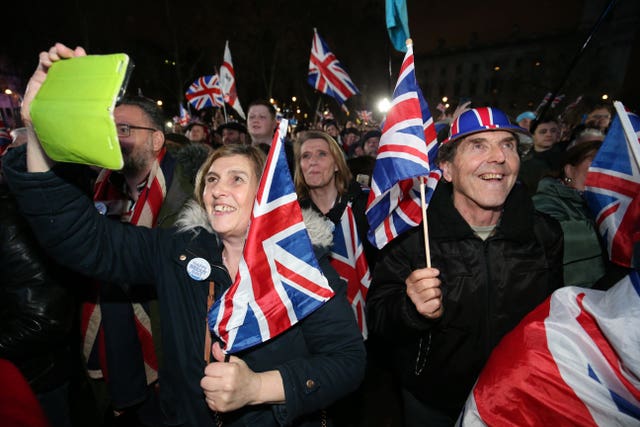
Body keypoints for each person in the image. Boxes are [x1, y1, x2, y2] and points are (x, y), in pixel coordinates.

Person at [5, 43, 365, 427]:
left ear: (265, 196)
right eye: (211, 179)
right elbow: (83, 239)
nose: (217, 189)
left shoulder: (303, 266)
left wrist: (258, 388)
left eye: (236, 179)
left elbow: (347, 362)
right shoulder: (177, 251)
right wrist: (38, 128)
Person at [366, 107, 564, 426]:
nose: (498, 157)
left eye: (507, 144)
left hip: (518, 398)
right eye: (478, 145)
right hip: (435, 402)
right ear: (446, 168)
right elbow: (378, 318)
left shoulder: (544, 233)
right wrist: (410, 308)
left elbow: (554, 318)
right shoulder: (412, 238)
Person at [533, 139, 607, 287]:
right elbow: (553, 236)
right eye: (595, 161)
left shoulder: (607, 205)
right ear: (569, 170)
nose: (602, 169)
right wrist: (611, 230)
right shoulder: (546, 198)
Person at [518, 117, 564, 196]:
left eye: (553, 131)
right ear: (533, 135)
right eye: (543, 132)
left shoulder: (565, 157)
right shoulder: (524, 161)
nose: (549, 134)